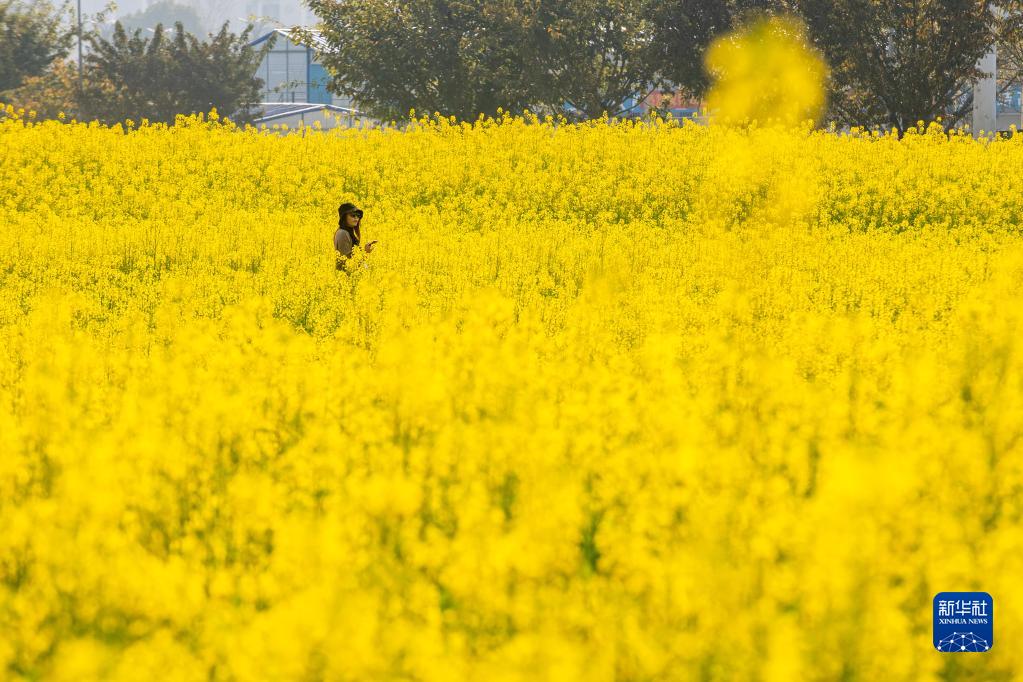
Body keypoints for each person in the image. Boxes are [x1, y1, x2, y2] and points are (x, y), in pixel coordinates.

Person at [334, 202, 377, 270]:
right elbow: (348, 262)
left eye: (358, 215)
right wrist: (365, 253)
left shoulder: (347, 232)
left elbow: (353, 257)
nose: (356, 218)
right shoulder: (343, 233)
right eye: (353, 215)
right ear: (344, 217)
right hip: (346, 278)